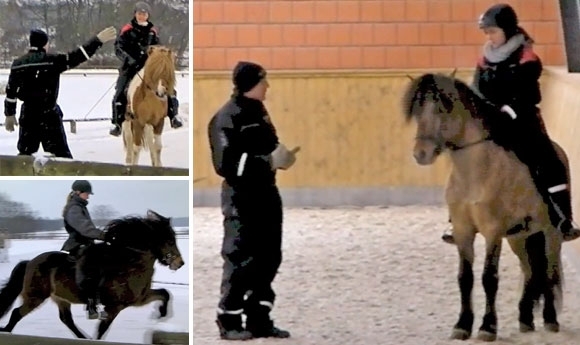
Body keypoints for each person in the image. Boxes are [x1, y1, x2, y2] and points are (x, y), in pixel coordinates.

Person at [441, 3, 580, 244]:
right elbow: (478, 90)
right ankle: (457, 219)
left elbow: (529, 95)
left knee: (549, 160)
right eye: (487, 33)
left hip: (521, 119)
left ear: (507, 30)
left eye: (493, 32)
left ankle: (563, 218)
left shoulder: (527, 58)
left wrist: (509, 110)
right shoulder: (485, 59)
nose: (489, 37)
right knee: (465, 156)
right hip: (490, 121)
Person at [208, 61, 299, 340]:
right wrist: (268, 161)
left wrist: (281, 157)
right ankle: (229, 320)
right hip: (241, 199)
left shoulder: (259, 112)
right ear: (251, 84)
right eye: (263, 81)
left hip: (267, 194)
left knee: (270, 257)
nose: (267, 86)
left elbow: (268, 144)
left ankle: (259, 318)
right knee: (239, 259)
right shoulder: (226, 117)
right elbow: (226, 164)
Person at [2, 26, 117, 159]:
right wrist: (97, 40)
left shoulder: (18, 64)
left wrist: (9, 114)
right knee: (62, 158)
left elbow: (11, 92)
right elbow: (78, 56)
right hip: (49, 115)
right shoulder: (52, 61)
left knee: (25, 156)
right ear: (45, 44)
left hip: (28, 115)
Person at [109, 1, 183, 137]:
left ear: (148, 16)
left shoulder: (152, 32)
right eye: (139, 14)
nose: (141, 16)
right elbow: (118, 48)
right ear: (135, 14)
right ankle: (117, 123)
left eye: (144, 14)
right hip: (130, 67)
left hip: (149, 68)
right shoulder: (127, 30)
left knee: (169, 88)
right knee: (120, 90)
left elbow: (159, 48)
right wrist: (128, 59)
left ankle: (174, 116)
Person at [61, 180, 111, 320]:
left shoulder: (80, 206)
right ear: (78, 192)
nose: (88, 196)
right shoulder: (74, 208)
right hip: (77, 244)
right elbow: (84, 228)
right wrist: (102, 235)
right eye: (87, 194)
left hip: (86, 243)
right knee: (92, 269)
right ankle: (91, 305)